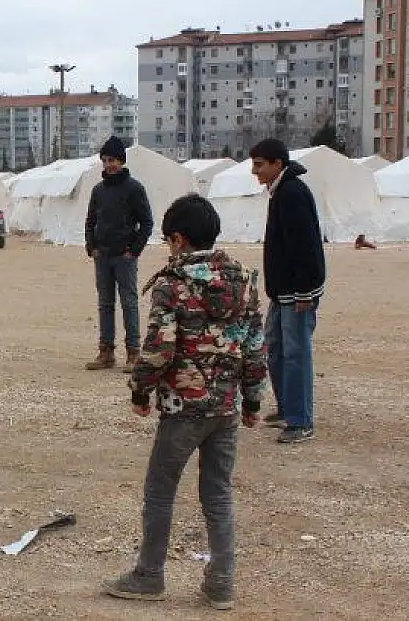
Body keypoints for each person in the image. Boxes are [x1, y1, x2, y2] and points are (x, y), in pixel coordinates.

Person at [103, 194, 267, 611]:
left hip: (182, 408)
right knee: (218, 495)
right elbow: (254, 348)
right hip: (226, 408)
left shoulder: (173, 284)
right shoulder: (245, 280)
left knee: (160, 491)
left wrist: (141, 391)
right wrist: (251, 401)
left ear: (178, 238)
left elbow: (159, 347)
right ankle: (221, 584)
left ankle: (149, 574)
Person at [250, 138, 325, 444]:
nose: (255, 172)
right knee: (275, 348)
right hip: (281, 290)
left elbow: (305, 246)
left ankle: (300, 420)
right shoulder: (280, 191)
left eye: (259, 165)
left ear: (277, 164)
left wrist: (306, 291)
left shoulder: (292, 193)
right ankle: (286, 408)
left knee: (296, 353)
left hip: (298, 291)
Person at [84, 135, 154, 373]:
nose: (108, 165)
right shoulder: (98, 190)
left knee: (129, 304)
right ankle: (106, 352)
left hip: (124, 256)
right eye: (104, 160)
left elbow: (146, 222)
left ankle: (134, 352)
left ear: (122, 160)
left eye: (112, 159)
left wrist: (133, 251)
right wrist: (91, 246)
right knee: (105, 304)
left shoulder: (135, 189)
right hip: (102, 256)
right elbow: (90, 220)